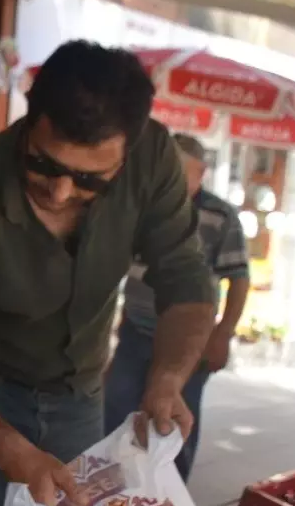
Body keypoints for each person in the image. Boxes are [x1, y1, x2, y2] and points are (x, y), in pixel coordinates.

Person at [0, 40, 216, 506]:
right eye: (44, 165)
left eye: (90, 180)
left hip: (81, 395)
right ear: (29, 118)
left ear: (126, 155)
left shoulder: (154, 156)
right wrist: (5, 446)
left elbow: (186, 276)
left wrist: (168, 378)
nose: (60, 192)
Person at [104, 133, 250, 481]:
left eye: (176, 172)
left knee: (172, 424)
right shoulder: (146, 208)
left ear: (200, 171)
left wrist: (222, 334)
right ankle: (112, 493)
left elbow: (239, 279)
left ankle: (168, 498)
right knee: (115, 414)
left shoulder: (219, 216)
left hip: (189, 344)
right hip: (136, 332)